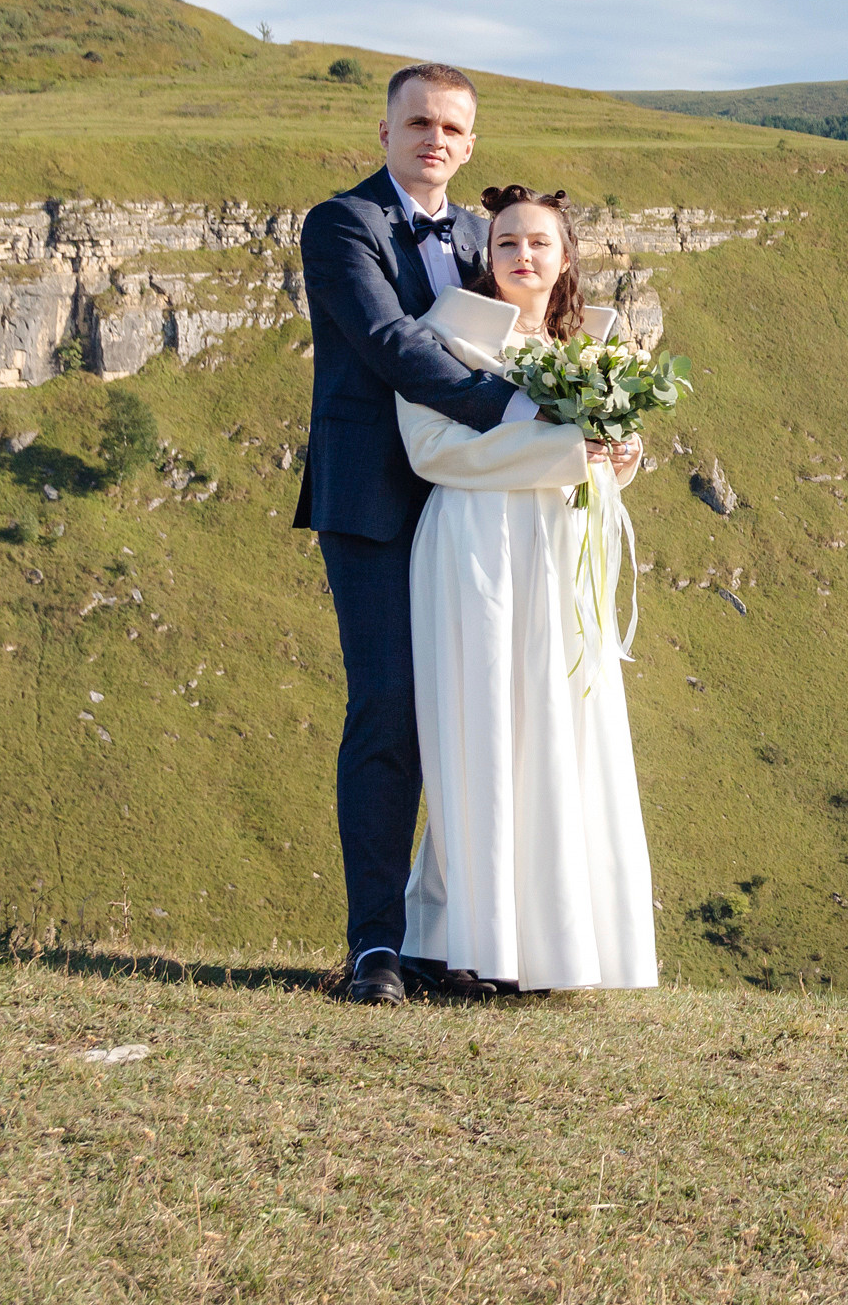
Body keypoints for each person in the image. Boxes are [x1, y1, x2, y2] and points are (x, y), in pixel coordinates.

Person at [294, 62, 520, 1005]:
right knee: (390, 712)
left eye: (453, 130)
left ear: (470, 146)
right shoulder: (341, 224)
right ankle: (375, 948)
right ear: (383, 133)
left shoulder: (478, 234)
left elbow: (539, 322)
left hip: (473, 503)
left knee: (476, 717)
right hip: (378, 502)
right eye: (419, 123)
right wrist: (510, 411)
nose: (435, 140)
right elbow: (388, 341)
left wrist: (592, 425)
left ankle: (456, 941)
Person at [393, 186, 655, 993]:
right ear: (487, 255)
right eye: (506, 243)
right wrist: (564, 454)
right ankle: (462, 942)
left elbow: (603, 459)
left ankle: (560, 947)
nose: (523, 256)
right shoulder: (445, 337)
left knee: (562, 727)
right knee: (484, 727)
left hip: (561, 552)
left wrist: (620, 457)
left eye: (540, 243)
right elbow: (432, 451)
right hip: (476, 547)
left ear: (565, 256)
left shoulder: (597, 348)